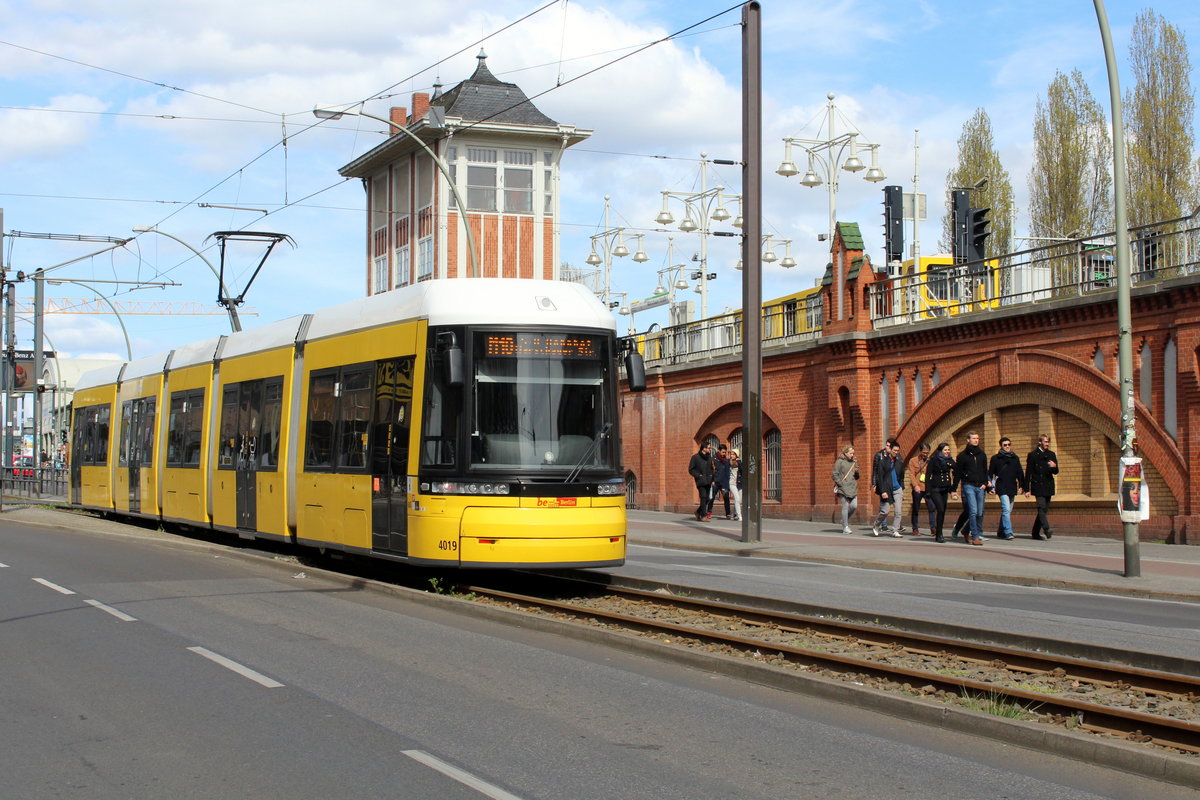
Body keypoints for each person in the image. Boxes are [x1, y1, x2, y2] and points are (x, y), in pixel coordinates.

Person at [953, 430, 990, 546]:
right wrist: (954, 490)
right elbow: (958, 473)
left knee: (979, 513)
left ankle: (965, 530)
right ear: (968, 440)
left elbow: (985, 471)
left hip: (980, 486)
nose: (976, 440)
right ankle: (975, 536)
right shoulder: (962, 456)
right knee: (973, 512)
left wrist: (985, 483)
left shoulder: (982, 454)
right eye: (974, 438)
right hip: (968, 485)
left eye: (977, 438)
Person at [1023, 433, 1059, 540]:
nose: (1047, 444)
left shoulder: (1051, 454)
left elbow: (1056, 472)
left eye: (1048, 442)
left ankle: (1035, 532)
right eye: (1045, 442)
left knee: (1044, 510)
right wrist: (1026, 489)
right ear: (1040, 442)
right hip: (1037, 485)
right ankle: (1046, 529)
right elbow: (1028, 472)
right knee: (1041, 507)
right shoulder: (1033, 455)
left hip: (1048, 485)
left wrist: (1054, 466)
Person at [988, 436, 1022, 540]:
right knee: (1006, 509)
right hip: (1001, 487)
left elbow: (1020, 473)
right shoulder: (995, 458)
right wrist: (990, 487)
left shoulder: (1015, 458)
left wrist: (1022, 486)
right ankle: (1008, 532)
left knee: (1008, 510)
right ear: (1001, 446)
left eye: (1009, 444)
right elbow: (990, 473)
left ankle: (1000, 531)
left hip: (1012, 486)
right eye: (1005, 445)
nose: (1007, 446)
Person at [870, 438, 903, 537]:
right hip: (886, 489)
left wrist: (902, 490)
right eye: (894, 450)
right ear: (890, 450)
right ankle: (876, 525)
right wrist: (883, 491)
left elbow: (901, 477)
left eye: (897, 451)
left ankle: (895, 530)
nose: (896, 452)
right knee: (885, 511)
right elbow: (880, 477)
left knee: (898, 511)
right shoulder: (883, 462)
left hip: (897, 489)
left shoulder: (899, 462)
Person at [924, 442, 956, 543]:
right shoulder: (934, 460)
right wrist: (928, 491)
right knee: (940, 509)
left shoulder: (949, 460)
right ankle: (939, 533)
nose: (947, 452)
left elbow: (956, 469)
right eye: (945, 450)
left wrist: (951, 464)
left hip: (945, 489)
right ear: (940, 451)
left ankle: (939, 532)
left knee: (943, 511)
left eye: (948, 450)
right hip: (935, 489)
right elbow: (928, 476)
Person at [906, 443, 935, 536]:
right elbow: (911, 474)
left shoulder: (930, 461)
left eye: (927, 453)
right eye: (924, 452)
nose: (925, 454)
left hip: (927, 488)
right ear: (920, 451)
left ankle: (933, 527)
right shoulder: (913, 461)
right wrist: (915, 486)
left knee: (932, 507)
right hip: (917, 488)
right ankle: (915, 528)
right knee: (916, 508)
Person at [832, 445, 860, 535]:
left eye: (853, 453)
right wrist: (840, 483)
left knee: (854, 506)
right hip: (843, 487)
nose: (852, 455)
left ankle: (844, 520)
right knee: (845, 506)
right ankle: (845, 527)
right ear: (845, 453)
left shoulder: (854, 462)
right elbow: (834, 474)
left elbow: (857, 476)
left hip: (852, 487)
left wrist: (857, 472)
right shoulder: (839, 462)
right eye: (850, 453)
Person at [687, 441, 716, 521]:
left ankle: (698, 512)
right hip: (700, 481)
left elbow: (712, 468)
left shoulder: (709, 457)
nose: (710, 449)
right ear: (704, 448)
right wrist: (698, 476)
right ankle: (703, 516)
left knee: (707, 499)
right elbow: (691, 469)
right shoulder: (695, 457)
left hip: (708, 480)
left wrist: (712, 478)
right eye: (709, 448)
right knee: (703, 497)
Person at [713, 443, 733, 519]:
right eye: (723, 452)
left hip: (724, 482)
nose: (724, 454)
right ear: (719, 451)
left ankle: (728, 514)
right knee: (712, 497)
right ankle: (708, 512)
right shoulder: (714, 458)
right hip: (716, 481)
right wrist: (713, 480)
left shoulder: (726, 460)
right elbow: (712, 470)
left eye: (725, 452)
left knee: (726, 498)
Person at [728, 450, 743, 521]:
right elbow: (725, 473)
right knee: (737, 499)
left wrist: (739, 462)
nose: (732, 456)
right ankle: (739, 516)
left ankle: (733, 514)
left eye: (733, 454)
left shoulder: (739, 462)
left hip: (739, 483)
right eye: (731, 454)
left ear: (737, 455)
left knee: (739, 500)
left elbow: (743, 471)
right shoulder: (728, 462)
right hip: (732, 483)